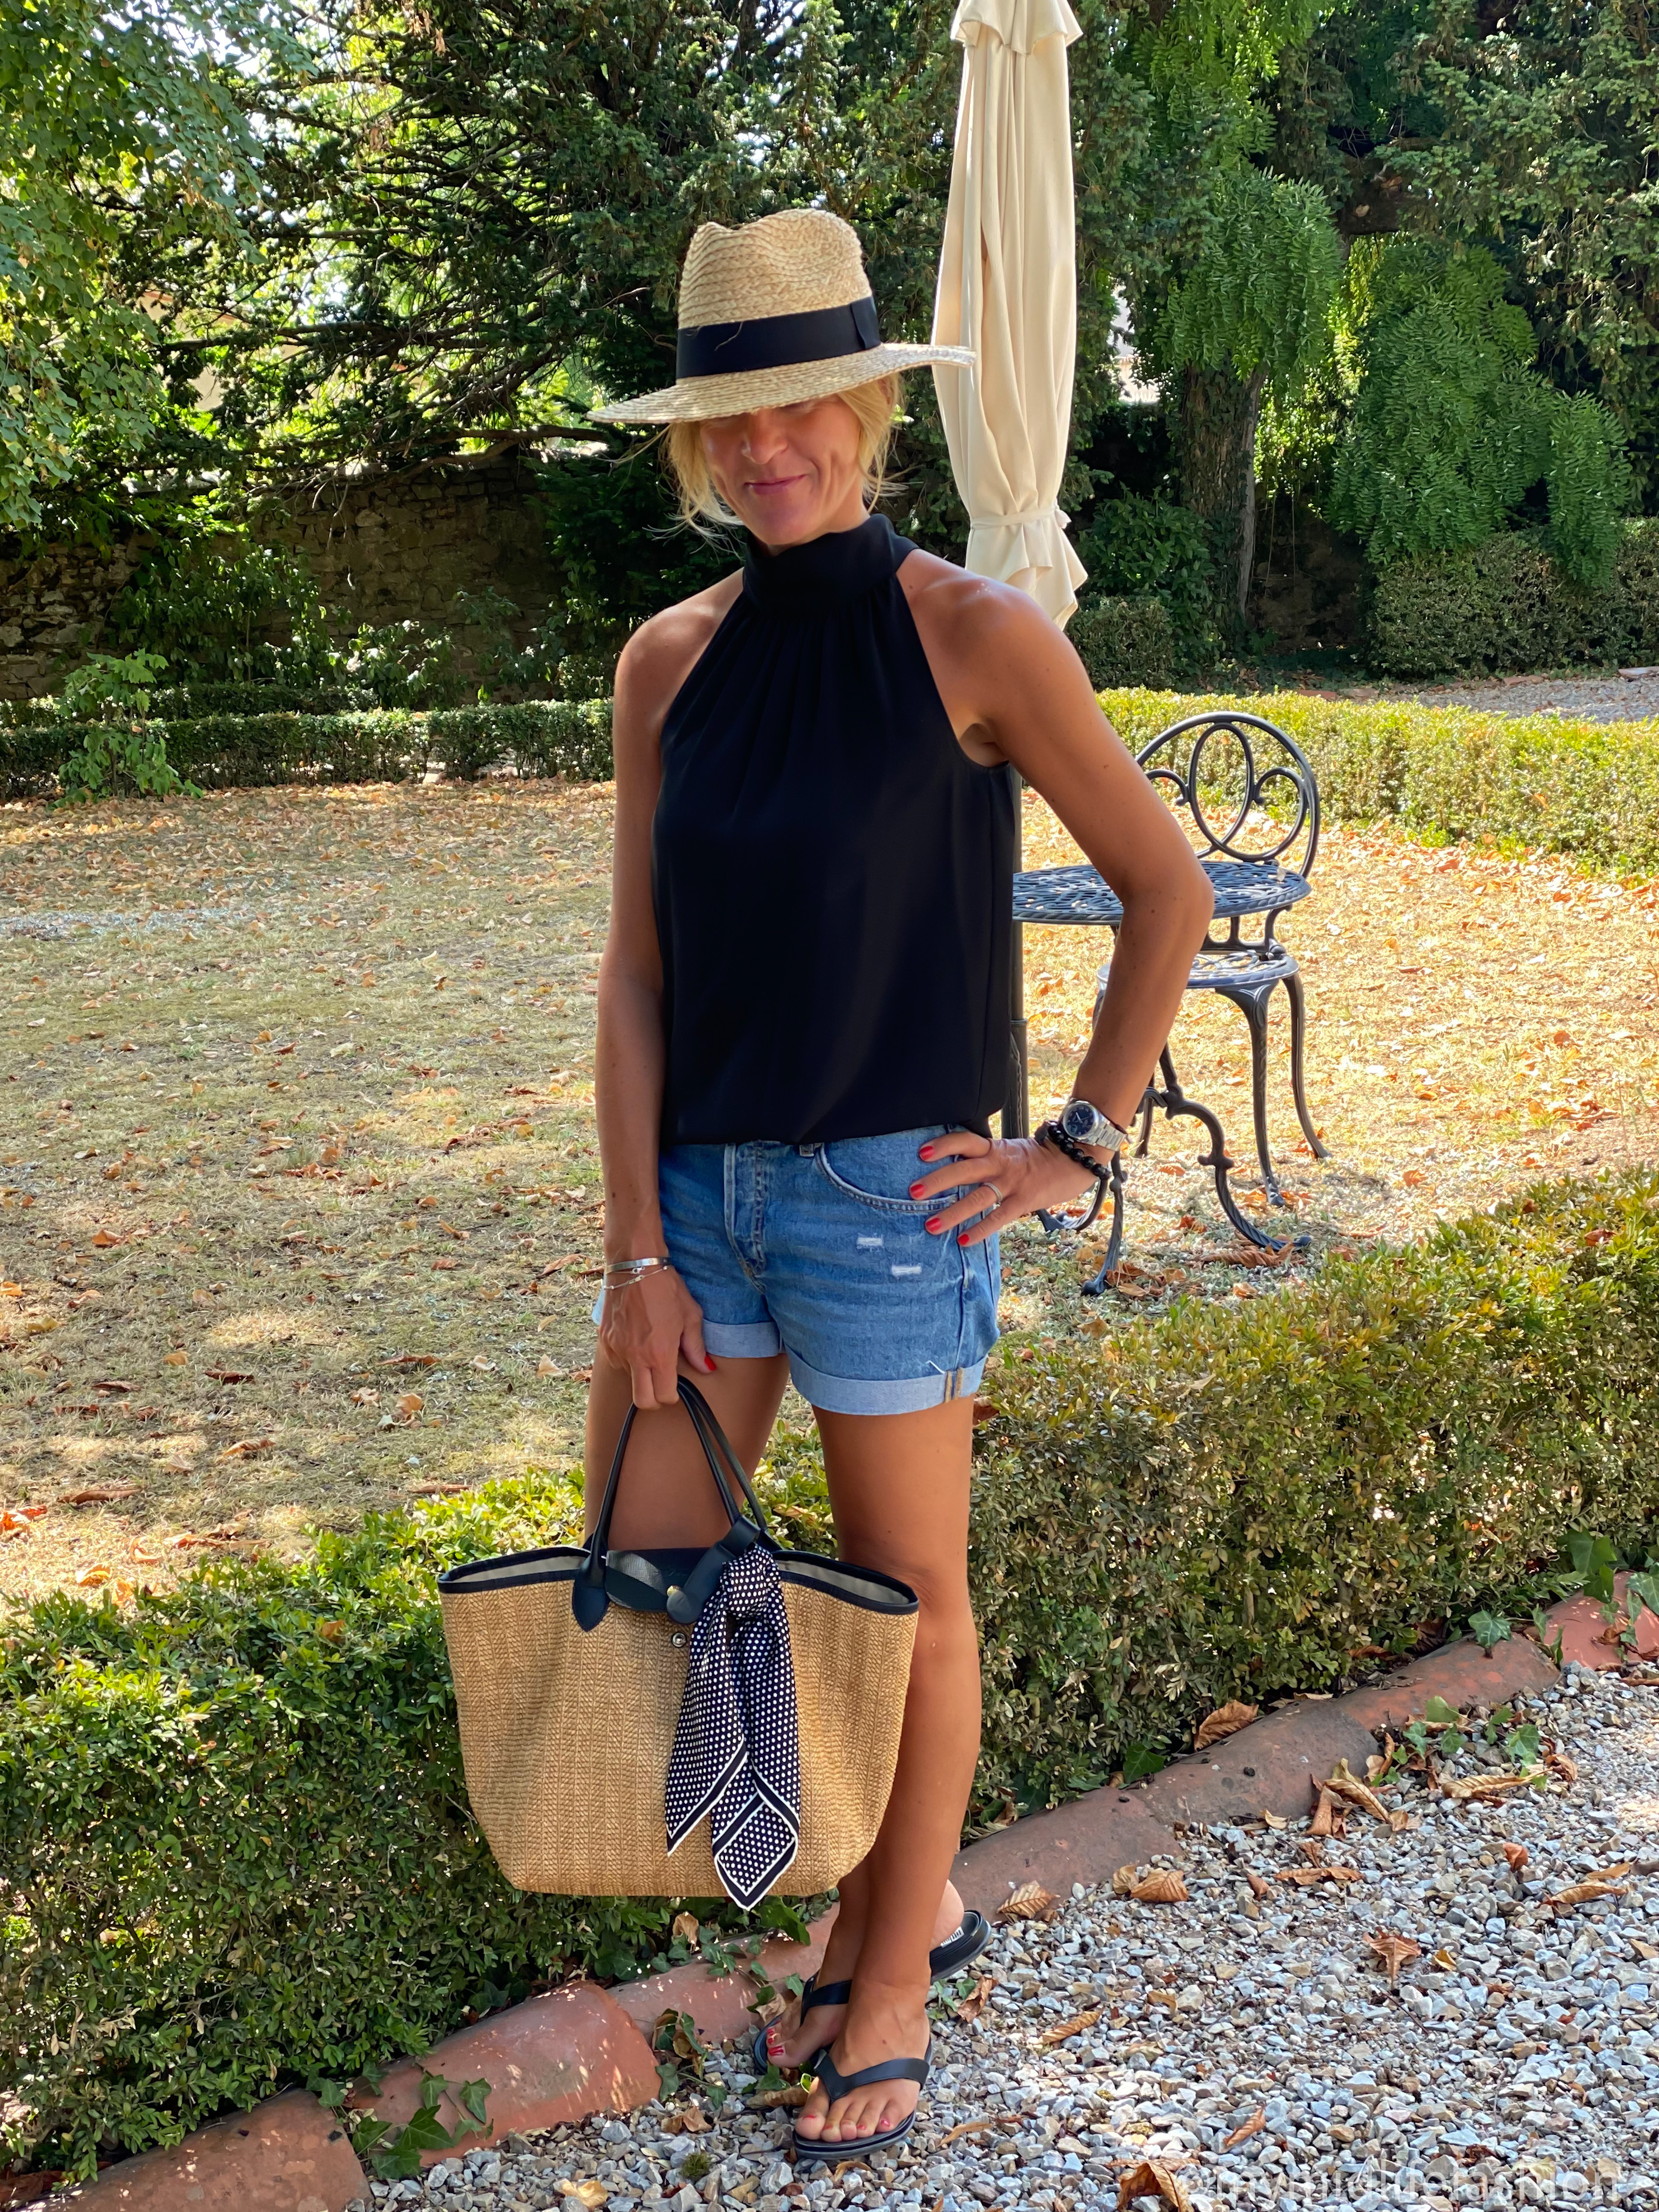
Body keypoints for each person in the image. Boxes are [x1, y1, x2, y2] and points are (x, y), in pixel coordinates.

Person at [584, 208, 1213, 2164]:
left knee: (907, 1598)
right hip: (700, 1203)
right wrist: (631, 1252)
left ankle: (896, 1966)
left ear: (871, 406)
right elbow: (634, 973)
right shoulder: (666, 664)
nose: (774, 449)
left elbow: (1164, 887)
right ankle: (868, 1890)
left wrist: (1076, 1145)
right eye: (735, 422)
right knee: (654, 1561)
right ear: (699, 446)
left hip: (889, 1202)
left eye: (806, 407)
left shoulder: (977, 634)